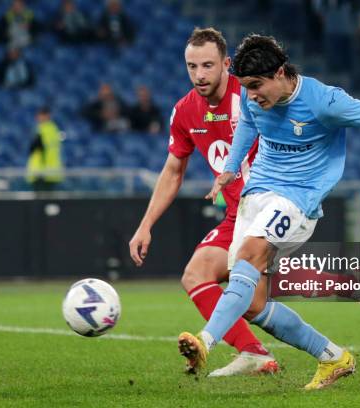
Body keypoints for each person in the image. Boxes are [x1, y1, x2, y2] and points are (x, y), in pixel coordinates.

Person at [177, 34, 360, 390]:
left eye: (256, 86)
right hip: (257, 195)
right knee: (251, 303)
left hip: (298, 200)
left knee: (249, 257)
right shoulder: (253, 99)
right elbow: (249, 125)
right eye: (246, 87)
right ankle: (333, 357)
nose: (250, 96)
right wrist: (230, 169)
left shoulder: (323, 101)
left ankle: (205, 341)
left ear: (281, 73)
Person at [129, 28, 278, 377]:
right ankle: (254, 352)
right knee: (200, 277)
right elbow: (172, 171)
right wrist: (145, 225)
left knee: (253, 304)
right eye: (192, 66)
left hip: (272, 210)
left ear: (227, 64)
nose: (199, 74)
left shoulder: (253, 95)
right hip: (237, 217)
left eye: (208, 65)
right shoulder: (184, 112)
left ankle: (353, 286)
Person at [26, 107, 63, 191]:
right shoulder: (52, 129)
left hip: (42, 172)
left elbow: (33, 148)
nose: (39, 117)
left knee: (42, 201)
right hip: (50, 172)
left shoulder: (44, 130)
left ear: (47, 116)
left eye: (41, 115)